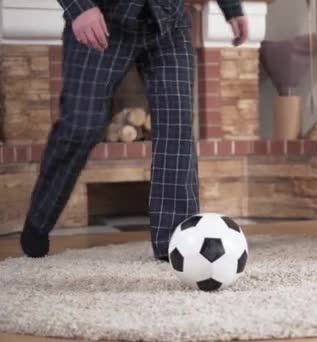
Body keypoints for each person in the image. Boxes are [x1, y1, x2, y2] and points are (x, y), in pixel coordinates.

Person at [19, 0, 248, 261]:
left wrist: (232, 9)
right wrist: (79, 7)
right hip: (104, 18)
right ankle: (38, 222)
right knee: (80, 127)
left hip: (168, 21)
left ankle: (175, 243)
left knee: (177, 126)